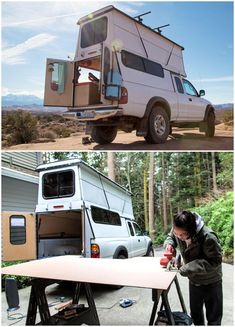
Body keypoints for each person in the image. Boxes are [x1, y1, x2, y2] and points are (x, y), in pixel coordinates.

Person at [164, 210, 223, 325]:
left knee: (213, 318)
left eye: (182, 235)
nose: (179, 237)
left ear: (191, 231)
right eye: (177, 234)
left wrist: (187, 268)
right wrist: (169, 244)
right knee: (195, 314)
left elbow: (215, 261)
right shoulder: (178, 228)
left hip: (211, 282)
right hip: (194, 280)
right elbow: (171, 236)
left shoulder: (208, 237)